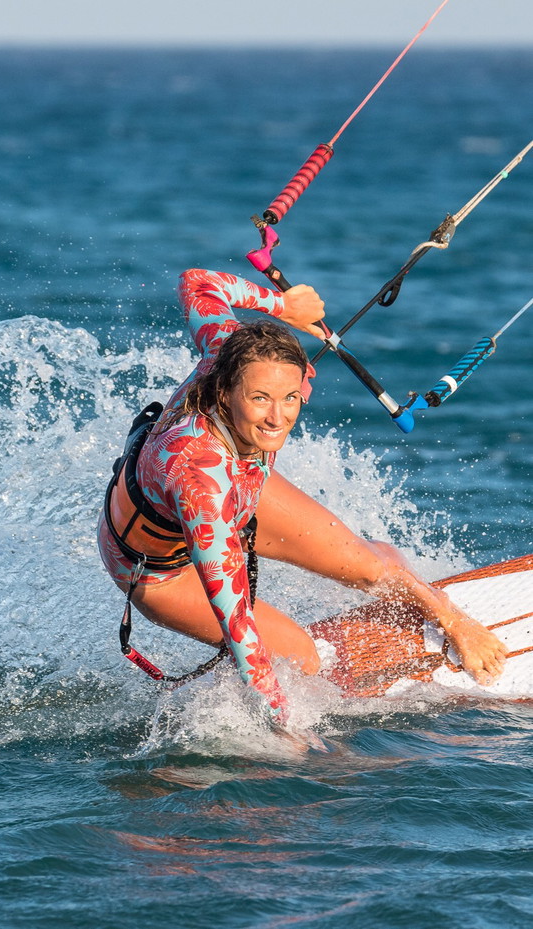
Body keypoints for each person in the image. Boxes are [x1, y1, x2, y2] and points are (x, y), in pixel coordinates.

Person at [98, 269, 507, 726]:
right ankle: (208, 706)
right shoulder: (201, 484)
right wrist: (282, 730)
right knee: (299, 661)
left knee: (374, 564)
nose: (278, 417)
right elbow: (236, 623)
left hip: (240, 483)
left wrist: (282, 306)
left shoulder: (229, 349)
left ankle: (442, 609)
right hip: (159, 571)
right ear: (224, 390)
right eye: (260, 399)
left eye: (290, 396)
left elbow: (198, 283)